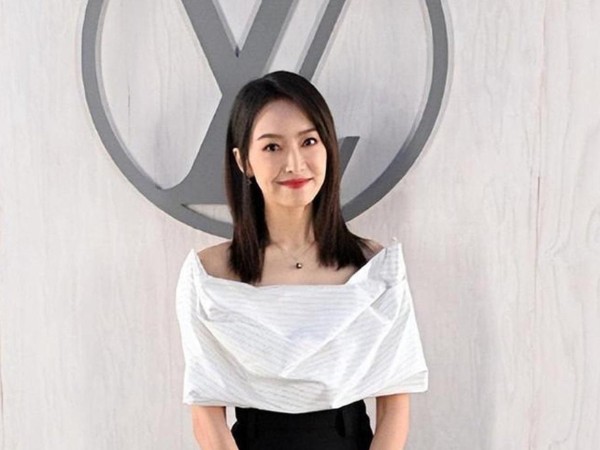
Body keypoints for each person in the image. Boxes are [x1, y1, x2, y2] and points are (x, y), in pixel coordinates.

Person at [175, 71, 429, 450]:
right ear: (244, 161)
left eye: (308, 141)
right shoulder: (208, 275)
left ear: (328, 148)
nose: (294, 163)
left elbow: (394, 406)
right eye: (272, 147)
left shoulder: (376, 268)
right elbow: (206, 415)